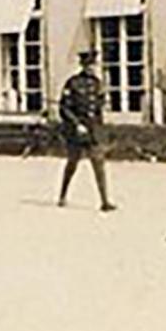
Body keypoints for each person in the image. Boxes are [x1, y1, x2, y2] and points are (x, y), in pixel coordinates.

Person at [58, 48, 117, 212]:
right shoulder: (72, 83)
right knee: (72, 163)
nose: (91, 68)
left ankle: (105, 201)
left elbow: (99, 107)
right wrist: (76, 124)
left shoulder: (97, 83)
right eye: (88, 65)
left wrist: (100, 127)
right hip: (76, 130)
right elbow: (64, 108)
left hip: (93, 130)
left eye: (93, 65)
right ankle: (63, 194)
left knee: (98, 163)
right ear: (82, 66)